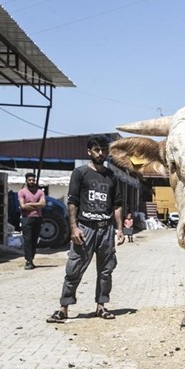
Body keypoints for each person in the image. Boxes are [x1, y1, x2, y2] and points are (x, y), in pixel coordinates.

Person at [48, 135, 125, 324]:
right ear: (89, 151)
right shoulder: (80, 173)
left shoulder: (111, 176)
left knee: (106, 270)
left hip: (105, 229)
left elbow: (117, 205)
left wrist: (120, 229)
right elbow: (72, 201)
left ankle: (101, 306)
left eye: (104, 150)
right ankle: (64, 308)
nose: (101, 153)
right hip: (85, 228)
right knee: (74, 268)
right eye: (97, 150)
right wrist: (73, 228)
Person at [17, 172, 46, 270]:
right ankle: (28, 261)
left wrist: (30, 205)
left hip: (38, 218)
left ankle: (31, 259)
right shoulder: (22, 192)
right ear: (26, 181)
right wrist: (37, 205)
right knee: (27, 240)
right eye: (29, 180)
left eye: (33, 180)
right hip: (26, 218)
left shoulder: (40, 192)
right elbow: (23, 206)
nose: (31, 181)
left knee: (34, 240)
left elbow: (43, 204)